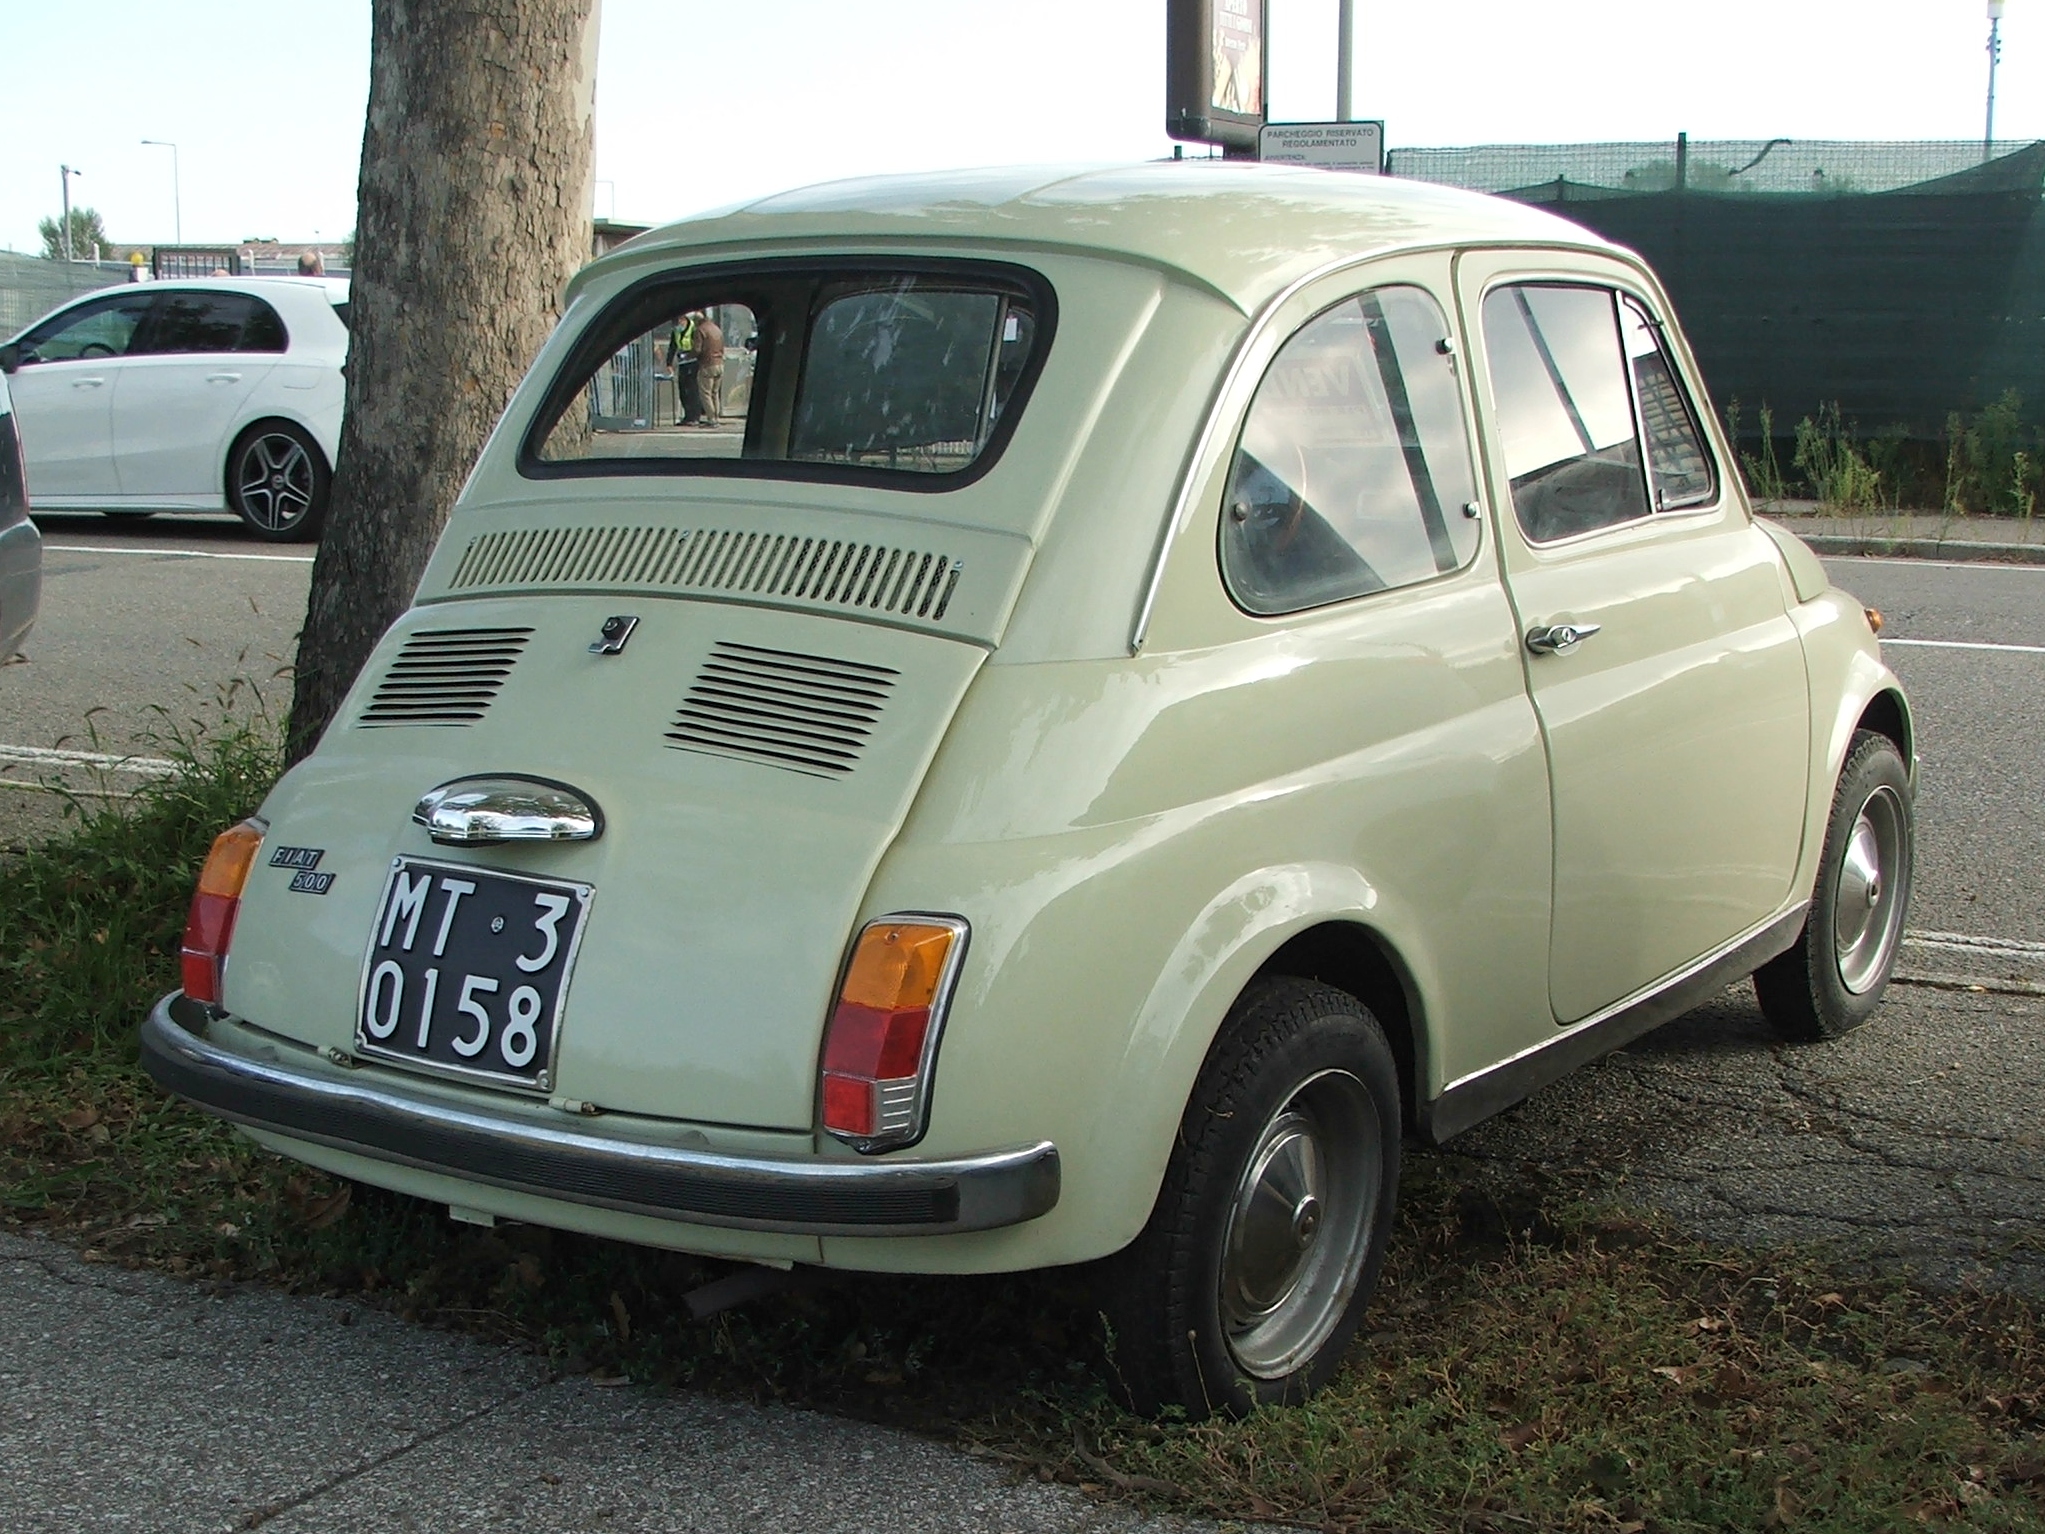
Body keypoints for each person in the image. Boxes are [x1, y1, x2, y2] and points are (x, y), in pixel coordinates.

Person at [691, 309, 725, 427]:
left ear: (697, 321)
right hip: (720, 363)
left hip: (707, 365)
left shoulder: (700, 330)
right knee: (715, 393)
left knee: (706, 393)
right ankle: (716, 417)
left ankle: (711, 419)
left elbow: (697, 349)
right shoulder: (717, 329)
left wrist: (688, 355)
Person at [665, 312, 701, 426]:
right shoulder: (676, 331)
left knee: (692, 390)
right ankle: (687, 416)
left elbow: (698, 346)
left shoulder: (693, 328)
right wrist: (669, 363)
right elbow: (672, 346)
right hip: (682, 362)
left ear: (683, 319)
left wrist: (693, 356)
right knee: (683, 390)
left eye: (678, 322)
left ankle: (695, 416)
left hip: (693, 361)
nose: (677, 325)